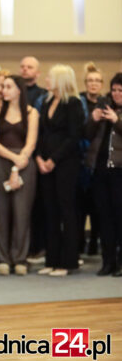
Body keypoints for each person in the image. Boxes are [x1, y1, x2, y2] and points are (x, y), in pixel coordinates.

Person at [0, 75, 39, 275]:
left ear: (19, 90)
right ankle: (2, 258)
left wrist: (19, 163)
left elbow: (31, 142)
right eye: (3, 86)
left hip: (24, 163)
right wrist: (13, 158)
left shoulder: (31, 112)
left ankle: (20, 258)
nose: (4, 90)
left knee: (22, 212)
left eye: (8, 86)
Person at [36, 65, 84, 277]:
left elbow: (74, 137)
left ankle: (68, 262)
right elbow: (42, 132)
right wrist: (39, 157)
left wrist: (53, 160)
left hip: (65, 164)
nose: (46, 79)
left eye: (50, 77)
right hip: (45, 163)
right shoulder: (47, 101)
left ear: (61, 80)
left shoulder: (73, 103)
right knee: (50, 211)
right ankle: (52, 260)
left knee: (66, 211)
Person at [85, 73, 122, 276]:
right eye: (114, 90)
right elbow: (86, 134)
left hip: (119, 171)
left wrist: (117, 120)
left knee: (119, 216)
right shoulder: (105, 106)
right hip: (100, 169)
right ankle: (108, 261)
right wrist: (93, 119)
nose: (116, 94)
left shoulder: (116, 115)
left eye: (120, 91)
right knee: (104, 217)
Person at [78, 62, 104, 255]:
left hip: (99, 161)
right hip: (79, 159)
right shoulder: (78, 103)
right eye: (90, 80)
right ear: (85, 83)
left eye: (97, 81)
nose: (93, 84)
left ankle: (94, 242)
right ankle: (79, 244)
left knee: (98, 207)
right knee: (80, 206)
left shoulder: (106, 103)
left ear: (101, 84)